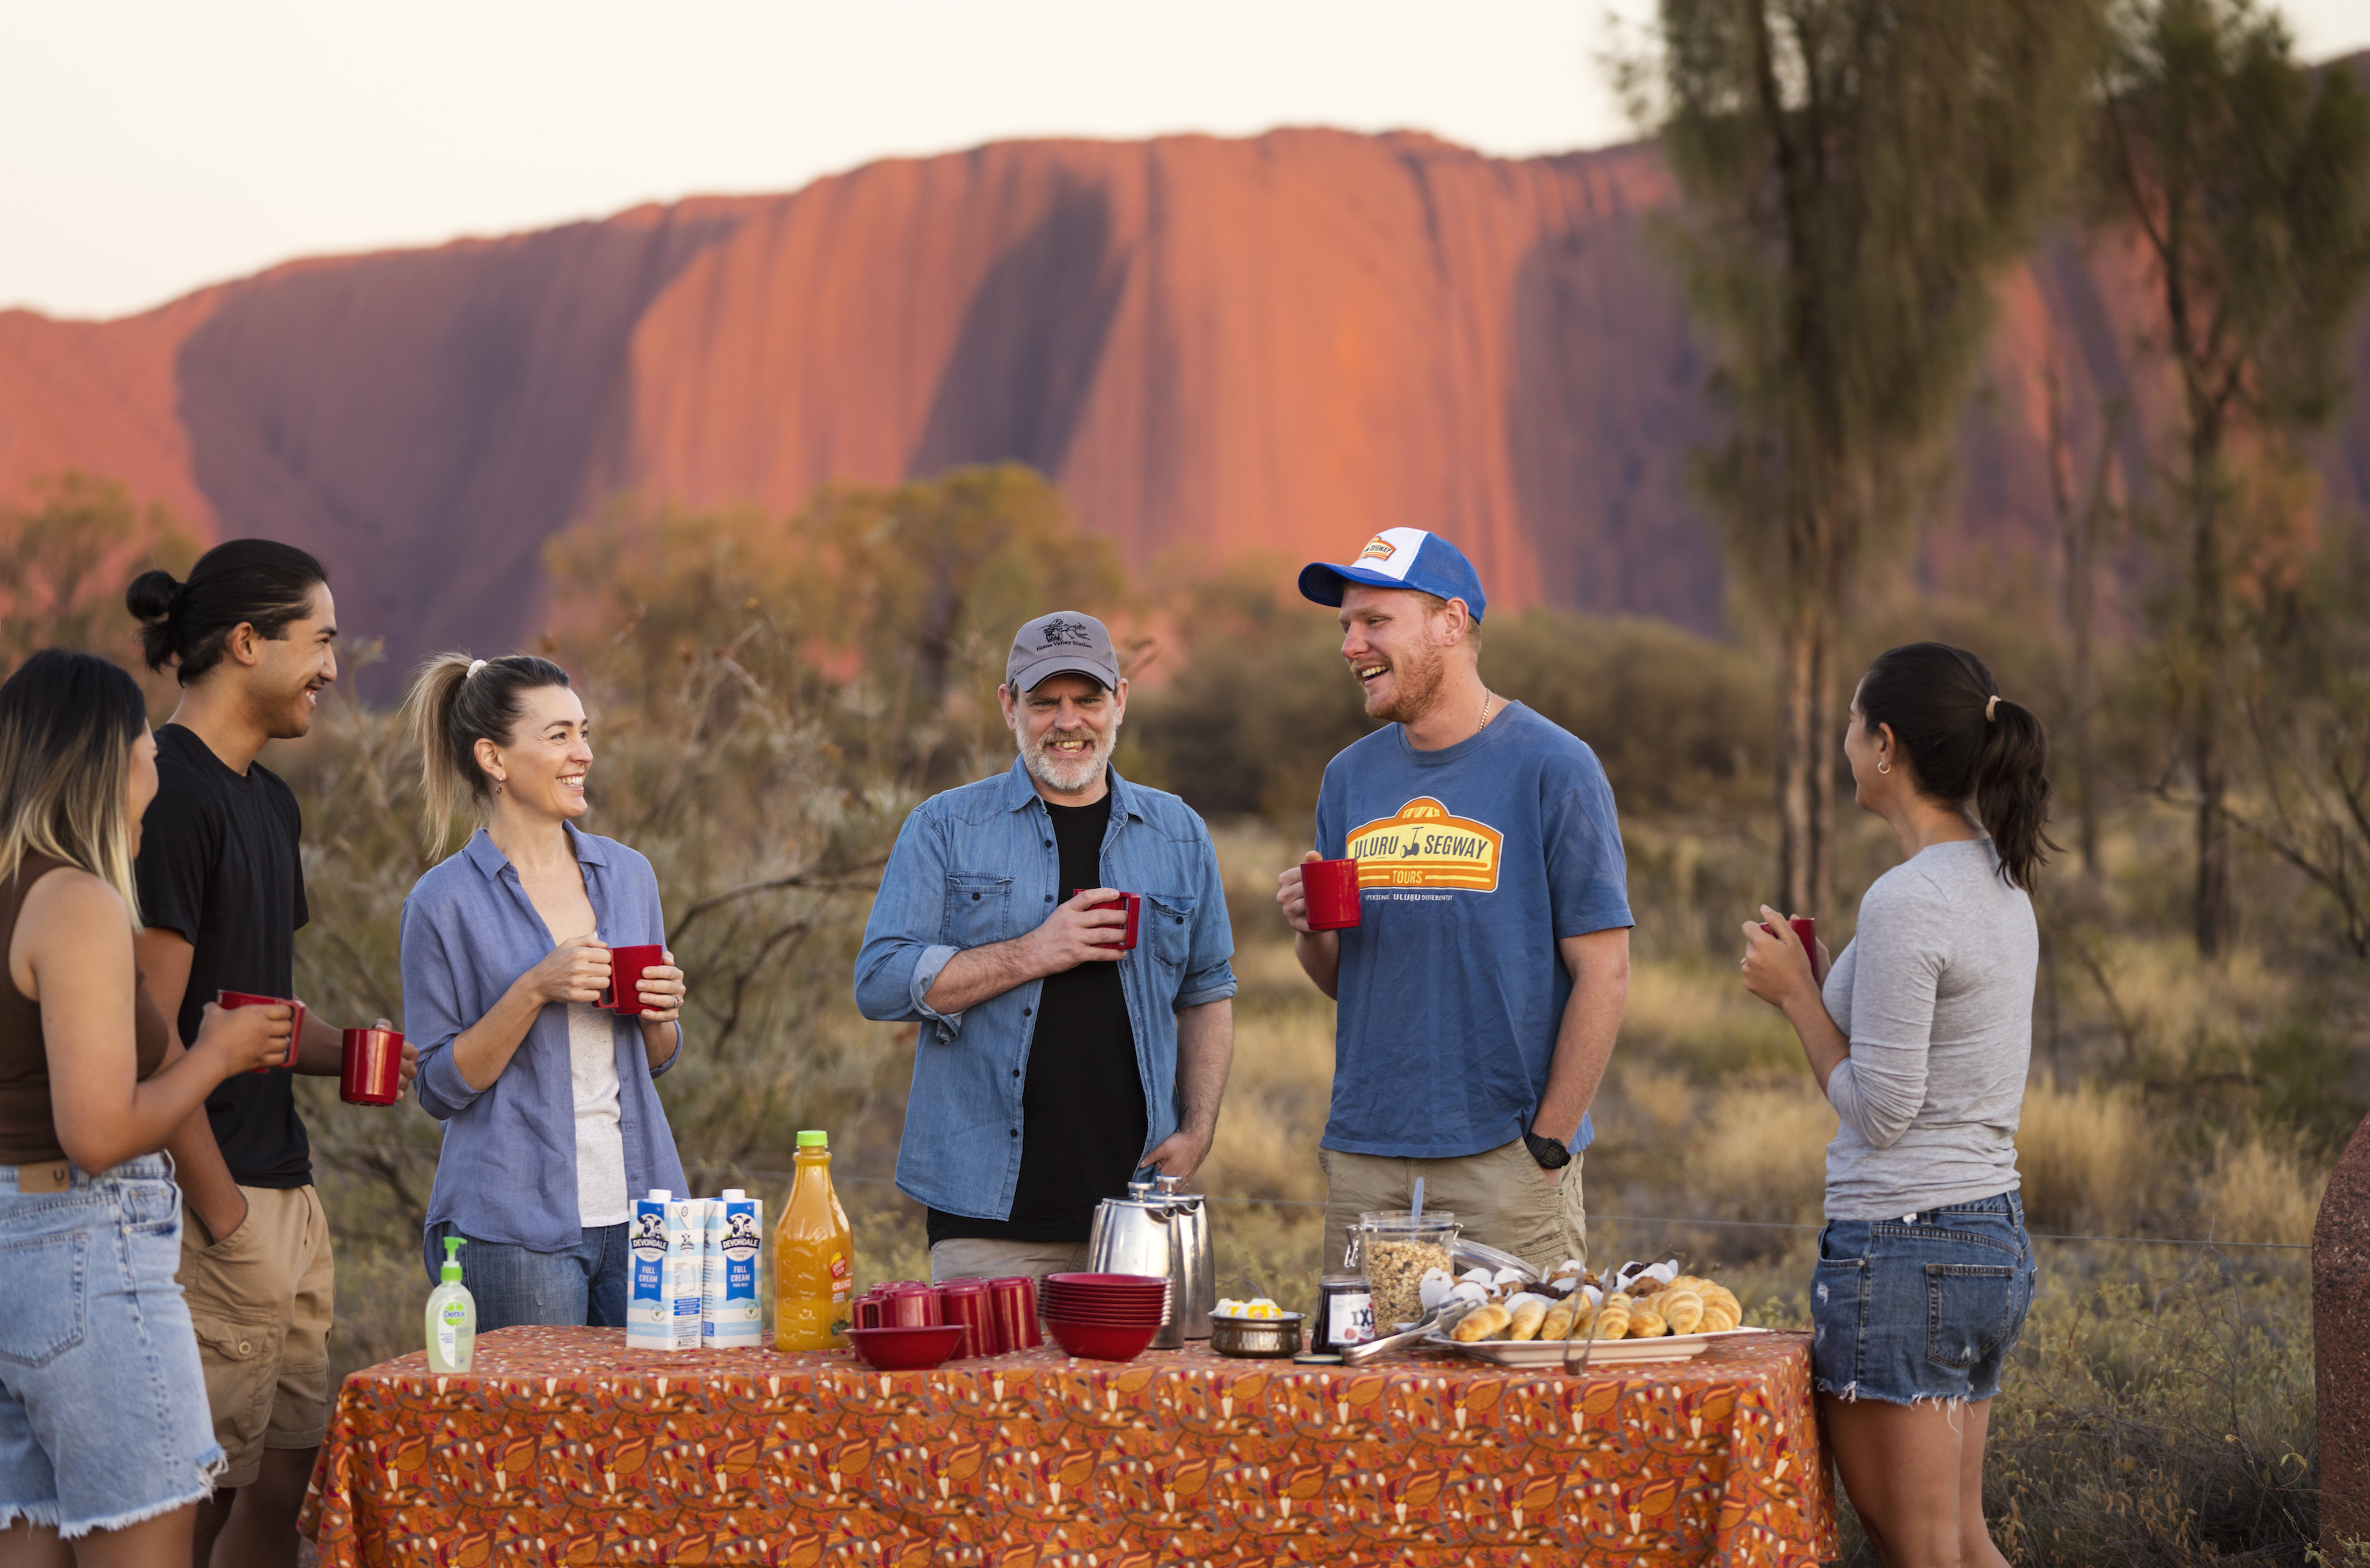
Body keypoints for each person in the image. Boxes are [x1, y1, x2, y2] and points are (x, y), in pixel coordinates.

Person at [123, 541, 414, 1568]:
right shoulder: (167, 793)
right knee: (188, 1493)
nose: (335, 668)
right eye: (321, 640)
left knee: (285, 1474)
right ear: (247, 643)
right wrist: (225, 1213)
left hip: (284, 1190)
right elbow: (147, 1032)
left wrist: (351, 1051)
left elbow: (252, 1005)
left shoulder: (267, 801)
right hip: (207, 1203)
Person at [1740, 642, 2048, 1568]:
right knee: (1958, 1541)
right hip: (1985, 1239)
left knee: (1917, 1551)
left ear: (1886, 746)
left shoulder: (1909, 898)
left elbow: (1880, 1109)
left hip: (1904, 1252)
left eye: (1848, 721)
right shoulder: (1998, 877)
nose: (1841, 740)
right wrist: (1833, 979)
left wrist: (1798, 998)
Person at [0, 651, 292, 1566]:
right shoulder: (74, 900)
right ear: (103, 760)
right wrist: (215, 1055)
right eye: (145, 749)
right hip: (85, 1248)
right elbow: (98, 1131)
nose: (157, 770)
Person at [1276, 529, 1631, 1275]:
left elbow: (1606, 971)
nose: (1351, 644)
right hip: (1366, 1153)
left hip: (1502, 1160)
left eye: (1375, 621)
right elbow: (1349, 977)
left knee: (1512, 1384)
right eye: (1346, 625)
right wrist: (1310, 933)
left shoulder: (1554, 764)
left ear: (1452, 622)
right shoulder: (1348, 777)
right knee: (1362, 1390)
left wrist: (1549, 1142)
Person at [856, 611, 1237, 1284]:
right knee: (985, 1393)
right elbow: (881, 981)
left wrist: (1199, 1128)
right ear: (1009, 706)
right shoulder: (945, 827)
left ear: (1119, 699)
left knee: (1141, 1395)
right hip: (987, 1221)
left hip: (1140, 1215)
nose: (1068, 722)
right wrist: (1035, 950)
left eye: (1086, 699)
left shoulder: (1178, 832)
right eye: (1044, 702)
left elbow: (1207, 989)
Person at [399, 654, 689, 1329]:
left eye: (583, 733)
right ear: (494, 759)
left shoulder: (628, 874)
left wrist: (661, 1012)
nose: (583, 753)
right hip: (511, 1229)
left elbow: (658, 1057)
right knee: (538, 1435)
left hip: (642, 1214)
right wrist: (533, 988)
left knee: (655, 1429)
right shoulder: (441, 902)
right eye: (558, 736)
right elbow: (438, 1085)